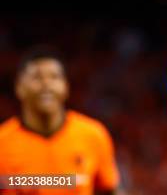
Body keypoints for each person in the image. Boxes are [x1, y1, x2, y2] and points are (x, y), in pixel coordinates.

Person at [0, 50, 120, 195]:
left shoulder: (93, 135)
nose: (46, 84)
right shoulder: (3, 142)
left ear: (65, 86)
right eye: (36, 77)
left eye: (54, 77)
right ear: (19, 87)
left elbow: (108, 189)